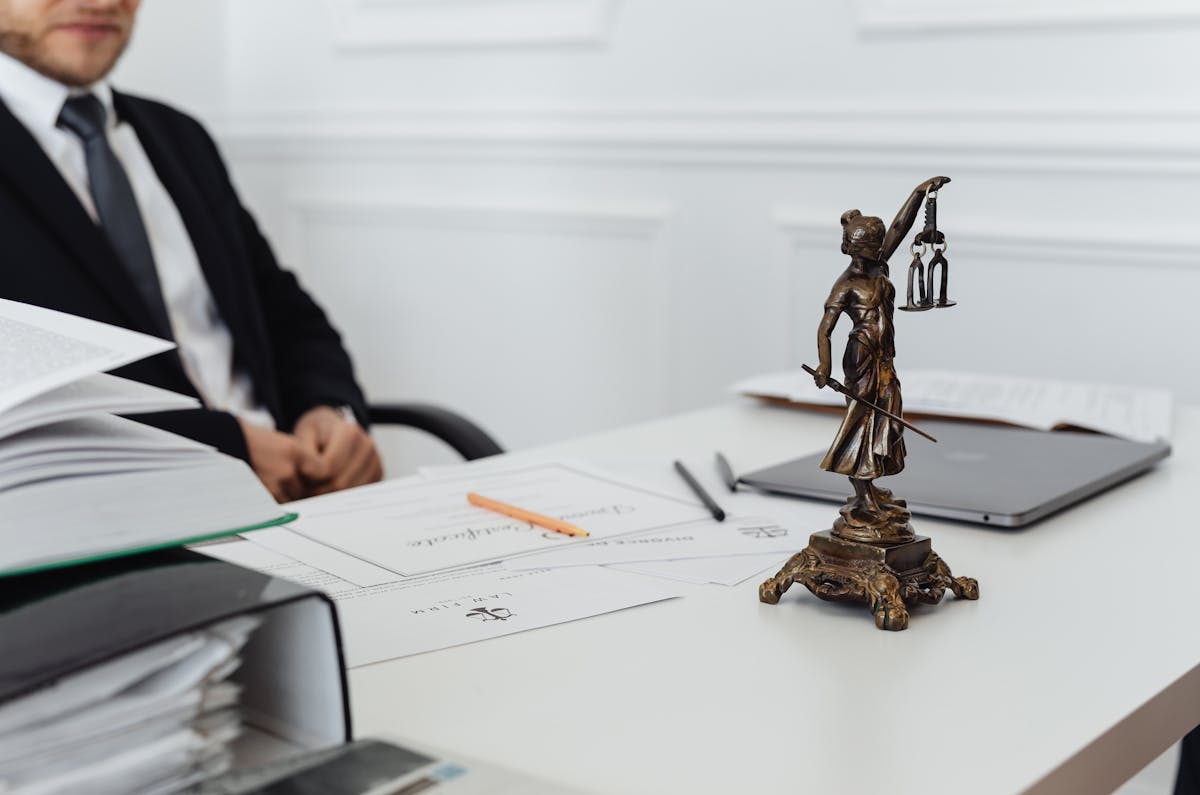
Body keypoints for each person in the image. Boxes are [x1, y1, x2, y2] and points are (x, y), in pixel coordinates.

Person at [0, 0, 382, 501]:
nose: (101, 2)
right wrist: (226, 447)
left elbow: (283, 313)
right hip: (114, 520)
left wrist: (328, 410)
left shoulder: (178, 136)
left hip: (297, 495)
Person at [812, 175, 949, 543]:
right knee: (863, 424)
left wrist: (919, 194)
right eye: (877, 246)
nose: (884, 249)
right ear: (861, 250)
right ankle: (863, 497)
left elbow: (901, 228)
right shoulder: (846, 284)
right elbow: (825, 329)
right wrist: (824, 366)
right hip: (860, 359)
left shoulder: (877, 265)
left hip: (885, 357)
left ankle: (871, 492)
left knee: (888, 420)